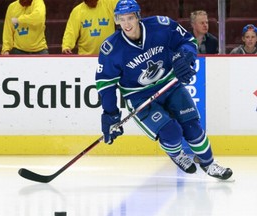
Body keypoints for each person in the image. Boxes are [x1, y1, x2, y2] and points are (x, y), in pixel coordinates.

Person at [95, 0, 233, 180]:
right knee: (171, 133)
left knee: (193, 129)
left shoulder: (161, 26)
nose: (126, 24)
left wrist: (184, 57)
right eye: (122, 19)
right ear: (117, 20)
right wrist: (110, 114)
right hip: (138, 96)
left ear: (138, 17)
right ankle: (177, 155)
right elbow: (105, 85)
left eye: (130, 18)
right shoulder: (111, 49)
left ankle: (210, 164)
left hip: (169, 84)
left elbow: (187, 41)